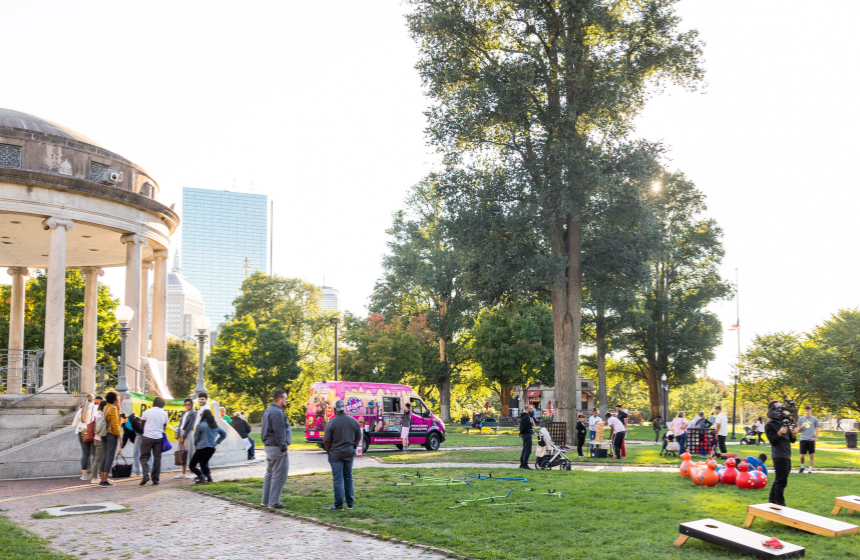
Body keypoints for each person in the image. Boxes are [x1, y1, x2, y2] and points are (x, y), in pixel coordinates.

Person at [324, 399, 362, 510]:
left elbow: (326, 441)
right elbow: (358, 437)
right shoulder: (353, 421)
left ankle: (339, 504)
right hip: (349, 453)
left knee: (338, 479)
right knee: (348, 477)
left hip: (335, 454)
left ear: (334, 409)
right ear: (344, 408)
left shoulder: (331, 423)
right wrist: (354, 446)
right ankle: (350, 503)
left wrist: (329, 451)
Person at [260, 390, 291, 509]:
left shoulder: (268, 410)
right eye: (285, 398)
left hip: (269, 446)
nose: (286, 400)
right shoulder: (277, 412)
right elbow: (279, 431)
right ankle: (273, 503)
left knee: (270, 474)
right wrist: (283, 447)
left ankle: (265, 501)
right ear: (279, 399)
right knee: (279, 475)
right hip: (277, 448)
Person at [764, 400, 798, 507]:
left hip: (786, 454)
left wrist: (793, 434)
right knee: (781, 481)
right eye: (778, 408)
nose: (781, 411)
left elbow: (792, 440)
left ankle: (772, 501)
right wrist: (779, 433)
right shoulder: (769, 425)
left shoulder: (784, 423)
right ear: (772, 410)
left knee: (779, 480)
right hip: (779, 455)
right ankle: (780, 503)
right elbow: (773, 441)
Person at [190, 409, 227, 483]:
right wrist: (216, 442)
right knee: (203, 463)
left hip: (202, 448)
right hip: (211, 448)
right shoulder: (215, 426)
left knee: (192, 465)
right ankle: (209, 478)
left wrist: (200, 439)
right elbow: (224, 434)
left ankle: (201, 477)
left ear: (203, 416)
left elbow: (196, 438)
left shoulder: (200, 425)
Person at [139, 396, 169, 486]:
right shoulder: (164, 413)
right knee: (157, 458)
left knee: (144, 457)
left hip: (147, 437)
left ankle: (145, 474)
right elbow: (164, 426)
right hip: (158, 438)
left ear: (154, 403)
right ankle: (155, 479)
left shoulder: (147, 411)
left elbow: (142, 424)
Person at [98, 391, 122, 487]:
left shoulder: (106, 407)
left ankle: (102, 479)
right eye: (118, 398)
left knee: (104, 457)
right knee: (109, 457)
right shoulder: (113, 409)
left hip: (104, 434)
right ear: (115, 400)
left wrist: (118, 407)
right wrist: (120, 437)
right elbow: (116, 424)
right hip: (111, 435)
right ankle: (104, 480)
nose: (119, 400)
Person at [72, 393, 96, 481]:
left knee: (85, 454)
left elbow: (74, 425)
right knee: (95, 454)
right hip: (93, 433)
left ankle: (84, 475)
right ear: (93, 400)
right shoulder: (96, 408)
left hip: (82, 433)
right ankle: (94, 474)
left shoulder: (81, 410)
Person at [175, 398, 197, 479]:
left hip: (188, 434)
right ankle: (183, 472)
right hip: (181, 433)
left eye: (189, 404)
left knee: (190, 453)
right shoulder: (184, 413)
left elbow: (190, 426)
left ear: (191, 405)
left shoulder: (193, 414)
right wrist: (178, 436)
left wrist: (183, 436)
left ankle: (191, 472)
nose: (187, 406)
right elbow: (180, 425)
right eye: (185, 404)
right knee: (182, 453)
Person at [798, 405, 820, 474]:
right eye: (806, 411)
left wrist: (815, 437)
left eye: (809, 411)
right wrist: (801, 427)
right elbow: (797, 430)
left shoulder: (814, 419)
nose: (807, 412)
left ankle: (810, 470)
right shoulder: (801, 419)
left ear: (811, 411)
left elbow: (817, 429)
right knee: (802, 456)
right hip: (803, 439)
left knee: (811, 456)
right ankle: (802, 466)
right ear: (804, 411)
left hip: (811, 439)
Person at [518, 405, 535, 469]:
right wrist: (521, 433)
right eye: (530, 409)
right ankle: (525, 464)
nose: (531, 410)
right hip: (527, 434)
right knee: (527, 450)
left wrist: (521, 433)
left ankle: (522, 464)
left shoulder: (525, 416)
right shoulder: (526, 417)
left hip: (526, 434)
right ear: (527, 409)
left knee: (525, 449)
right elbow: (524, 426)